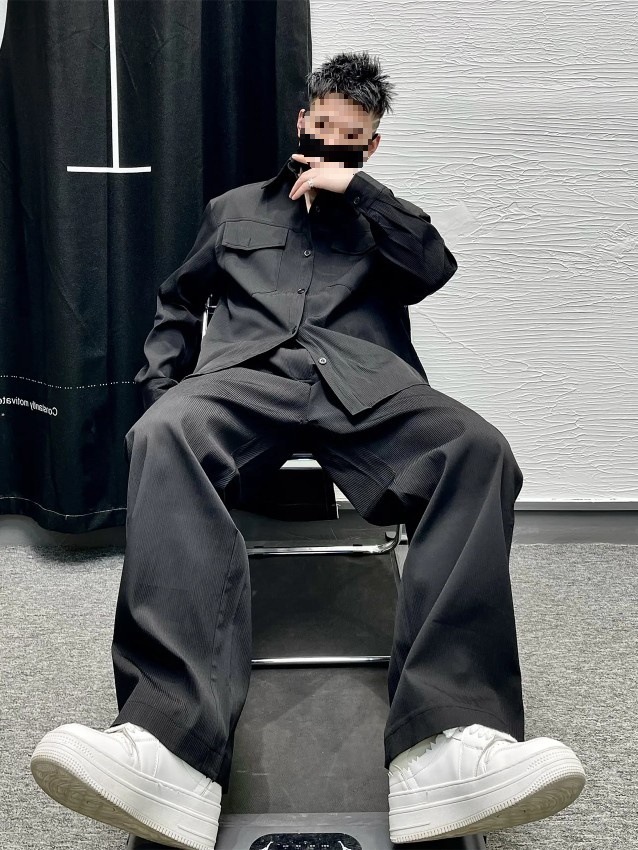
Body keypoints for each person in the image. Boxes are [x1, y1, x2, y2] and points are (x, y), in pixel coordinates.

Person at [30, 51, 586, 849]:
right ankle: (168, 744)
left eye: (349, 135)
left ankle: (446, 739)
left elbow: (432, 269)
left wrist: (358, 192)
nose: (329, 139)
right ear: (302, 121)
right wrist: (165, 392)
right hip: (247, 380)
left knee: (478, 451)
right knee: (163, 435)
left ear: (371, 143)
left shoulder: (385, 218)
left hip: (364, 386)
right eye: (321, 124)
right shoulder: (232, 210)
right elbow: (178, 302)